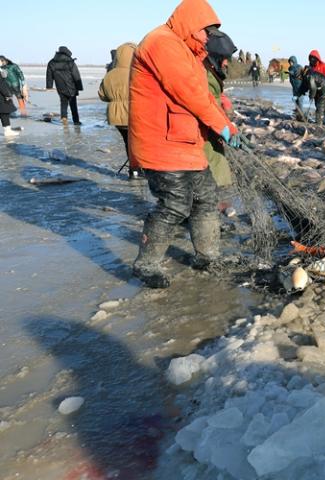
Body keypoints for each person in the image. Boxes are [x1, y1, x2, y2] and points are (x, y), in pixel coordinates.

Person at [128, 0, 238, 289]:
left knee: (206, 198)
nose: (207, 39)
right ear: (192, 25)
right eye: (206, 33)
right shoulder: (162, 43)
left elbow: (206, 97)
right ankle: (146, 264)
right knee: (175, 204)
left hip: (185, 141)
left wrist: (226, 126)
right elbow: (190, 93)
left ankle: (208, 257)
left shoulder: (188, 51)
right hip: (161, 143)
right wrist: (222, 127)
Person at [98, 43, 142, 179]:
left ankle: (134, 170)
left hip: (116, 117)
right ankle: (138, 169)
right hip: (135, 114)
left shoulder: (110, 75)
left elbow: (102, 95)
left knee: (128, 142)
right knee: (139, 143)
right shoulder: (138, 72)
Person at [203, 28, 237, 190]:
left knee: (218, 168)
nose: (226, 63)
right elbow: (205, 105)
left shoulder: (211, 72)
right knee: (212, 173)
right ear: (215, 56)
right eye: (224, 58)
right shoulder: (204, 74)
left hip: (214, 129)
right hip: (205, 133)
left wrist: (226, 104)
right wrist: (226, 129)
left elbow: (216, 96)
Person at [46, 46, 83, 125]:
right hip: (71, 86)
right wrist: (79, 86)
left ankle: (64, 118)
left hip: (60, 86)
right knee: (73, 104)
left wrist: (49, 85)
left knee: (63, 102)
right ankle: (76, 121)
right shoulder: (70, 61)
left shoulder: (52, 62)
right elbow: (76, 75)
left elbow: (49, 75)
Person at [0, 69, 19, 138]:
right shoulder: (1, 79)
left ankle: (8, 131)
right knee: (5, 115)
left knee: (3, 115)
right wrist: (8, 95)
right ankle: (8, 131)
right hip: (3, 101)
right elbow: (3, 87)